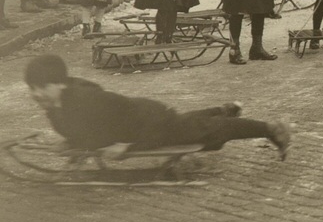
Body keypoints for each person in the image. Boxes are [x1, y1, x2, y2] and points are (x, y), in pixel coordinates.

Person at [24, 54, 291, 160]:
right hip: (141, 124)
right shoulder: (56, 105)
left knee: (207, 131)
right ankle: (223, 110)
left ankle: (271, 129)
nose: (35, 95)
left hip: (149, 122)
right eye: (32, 88)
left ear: (58, 83)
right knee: (186, 123)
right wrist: (71, 142)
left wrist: (128, 147)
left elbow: (120, 114)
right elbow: (87, 132)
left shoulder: (86, 99)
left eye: (40, 87)